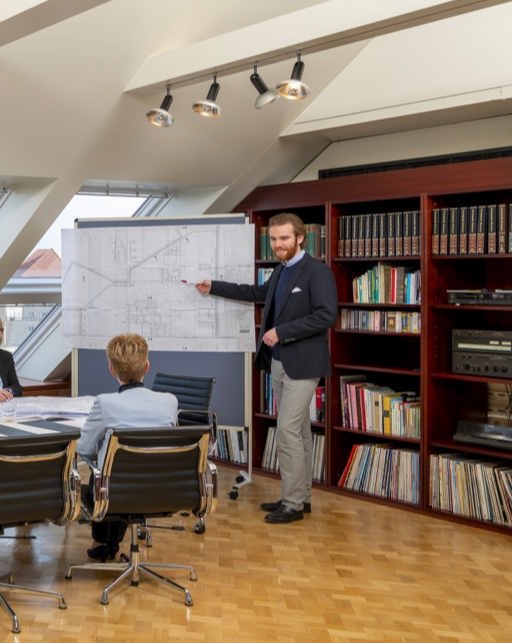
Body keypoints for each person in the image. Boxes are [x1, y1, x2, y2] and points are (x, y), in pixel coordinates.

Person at [195, 212, 336, 524]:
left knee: (286, 430)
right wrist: (214, 286)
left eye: (284, 238)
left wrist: (282, 332)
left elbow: (326, 316)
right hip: (279, 363)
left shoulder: (318, 272)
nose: (277, 244)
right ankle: (300, 497)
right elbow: (257, 294)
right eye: (273, 239)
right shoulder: (281, 270)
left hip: (303, 364)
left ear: (301, 238)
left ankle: (293, 504)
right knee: (298, 432)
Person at [78, 333, 179, 562]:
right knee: (121, 473)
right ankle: (110, 544)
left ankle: (103, 543)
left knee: (107, 475)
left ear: (112, 370)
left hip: (116, 492)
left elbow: (83, 448)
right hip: (164, 490)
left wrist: (101, 452)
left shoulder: (105, 402)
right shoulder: (170, 401)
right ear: (147, 366)